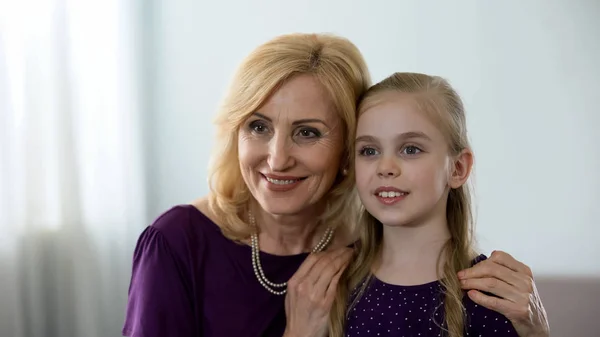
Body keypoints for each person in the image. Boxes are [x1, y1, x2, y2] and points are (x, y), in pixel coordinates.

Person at [122, 33, 549, 337]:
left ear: (346, 151)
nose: (277, 157)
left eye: (307, 132)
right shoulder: (176, 243)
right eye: (257, 126)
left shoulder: (361, 257)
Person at [327, 72, 550, 337]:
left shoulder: (492, 296)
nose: (385, 167)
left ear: (457, 168)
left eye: (410, 149)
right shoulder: (333, 283)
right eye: (369, 150)